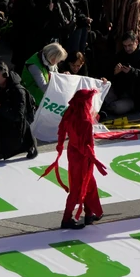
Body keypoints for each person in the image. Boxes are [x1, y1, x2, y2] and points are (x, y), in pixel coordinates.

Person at [41, 88, 107, 229]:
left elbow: (72, 137)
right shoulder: (85, 121)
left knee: (87, 185)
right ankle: (67, 219)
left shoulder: (70, 113)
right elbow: (85, 144)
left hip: (73, 153)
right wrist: (93, 159)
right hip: (83, 157)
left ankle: (89, 215)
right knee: (80, 187)